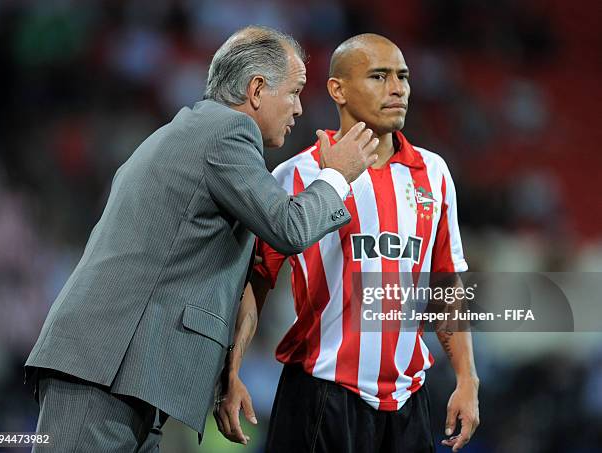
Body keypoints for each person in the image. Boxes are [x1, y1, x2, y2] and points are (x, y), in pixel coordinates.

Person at [24, 26, 380, 452]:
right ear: (256, 89)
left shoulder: (194, 132)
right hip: (103, 372)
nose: (300, 108)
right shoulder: (228, 133)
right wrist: (337, 174)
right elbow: (289, 228)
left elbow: (201, 270)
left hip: (117, 373)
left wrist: (224, 376)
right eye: (295, 91)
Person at [215, 34, 480, 452]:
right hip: (322, 395)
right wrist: (231, 372)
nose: (397, 89)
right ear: (337, 89)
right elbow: (256, 282)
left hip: (410, 403)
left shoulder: (434, 173)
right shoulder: (296, 175)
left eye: (403, 77)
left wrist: (467, 379)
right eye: (379, 76)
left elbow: (447, 284)